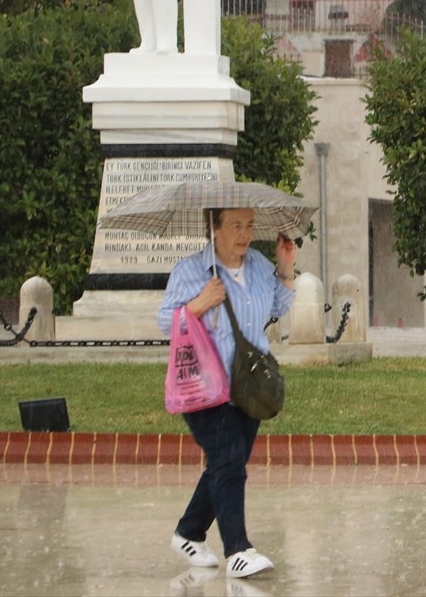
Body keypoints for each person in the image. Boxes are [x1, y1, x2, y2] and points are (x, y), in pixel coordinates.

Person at [157, 208, 297, 580]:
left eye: (249, 225)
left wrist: (285, 268)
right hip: (205, 387)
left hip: (248, 385)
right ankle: (238, 550)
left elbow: (278, 308)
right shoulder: (190, 271)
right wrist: (200, 303)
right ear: (214, 228)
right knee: (229, 463)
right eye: (236, 225)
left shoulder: (257, 265)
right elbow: (164, 322)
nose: (245, 234)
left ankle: (188, 533)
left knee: (225, 464)